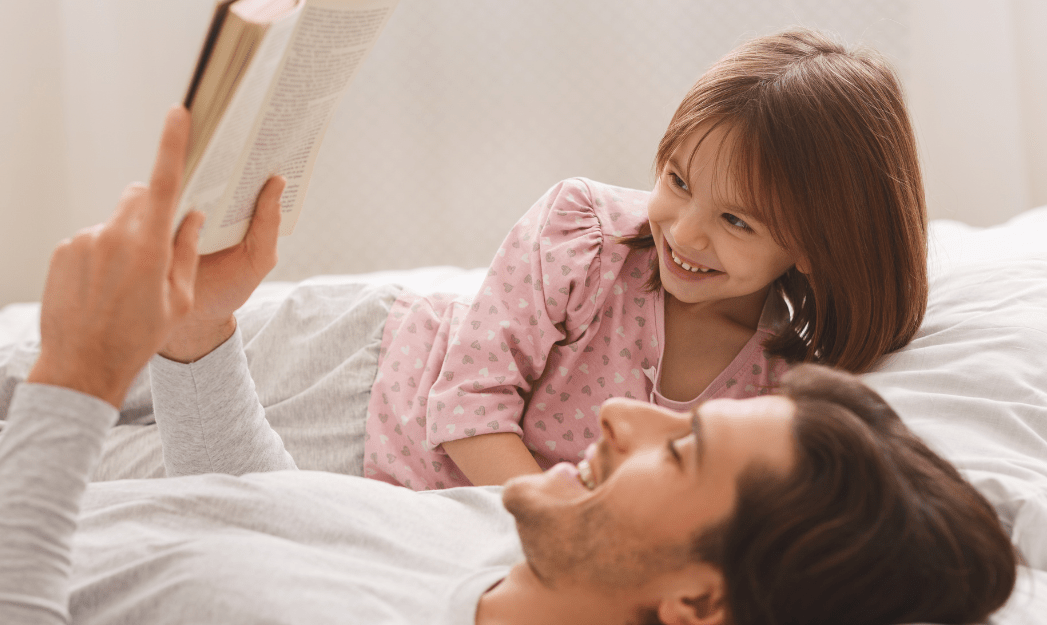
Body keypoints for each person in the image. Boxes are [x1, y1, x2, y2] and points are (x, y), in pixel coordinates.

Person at [0, 102, 1017, 625]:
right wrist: (196, 341)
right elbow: (254, 513)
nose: (621, 421)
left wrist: (74, 387)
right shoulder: (504, 535)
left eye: (677, 451)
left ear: (696, 605)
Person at [363, 28, 929, 489]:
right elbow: (466, 403)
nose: (684, 233)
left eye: (736, 221)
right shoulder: (583, 237)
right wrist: (569, 526)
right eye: (678, 181)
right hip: (372, 385)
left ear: (812, 246)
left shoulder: (773, 388)